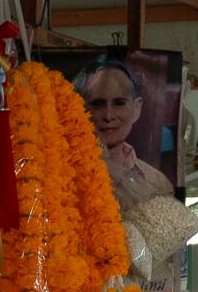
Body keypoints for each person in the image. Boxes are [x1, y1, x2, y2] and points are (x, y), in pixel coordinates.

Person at [75, 60, 174, 201]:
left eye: (119, 103)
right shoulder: (64, 178)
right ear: (81, 108)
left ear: (137, 109)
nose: (108, 116)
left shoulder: (157, 183)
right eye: (98, 104)